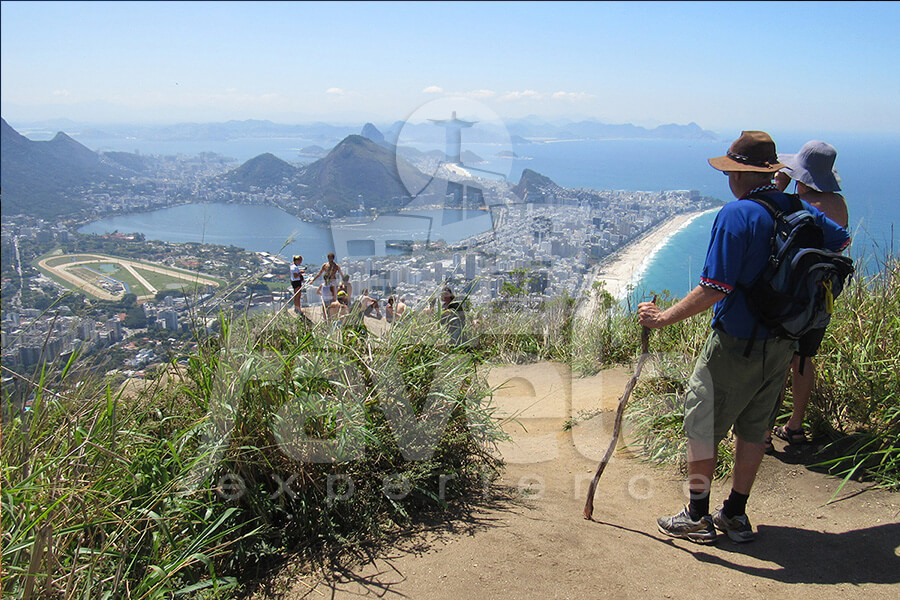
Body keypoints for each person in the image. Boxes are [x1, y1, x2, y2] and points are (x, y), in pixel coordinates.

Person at [638, 131, 850, 544]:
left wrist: (663, 318)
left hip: (736, 342)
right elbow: (839, 241)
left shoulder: (737, 215)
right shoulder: (798, 209)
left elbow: (715, 287)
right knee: (754, 429)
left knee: (701, 424)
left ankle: (697, 514)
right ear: (772, 171)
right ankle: (735, 514)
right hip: (783, 341)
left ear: (735, 173)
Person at [768, 141, 849, 449]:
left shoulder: (797, 204)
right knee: (804, 359)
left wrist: (780, 185)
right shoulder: (838, 205)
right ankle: (795, 426)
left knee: (777, 360)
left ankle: (762, 431)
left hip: (790, 299)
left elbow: (775, 217)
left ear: (801, 176)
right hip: (822, 297)